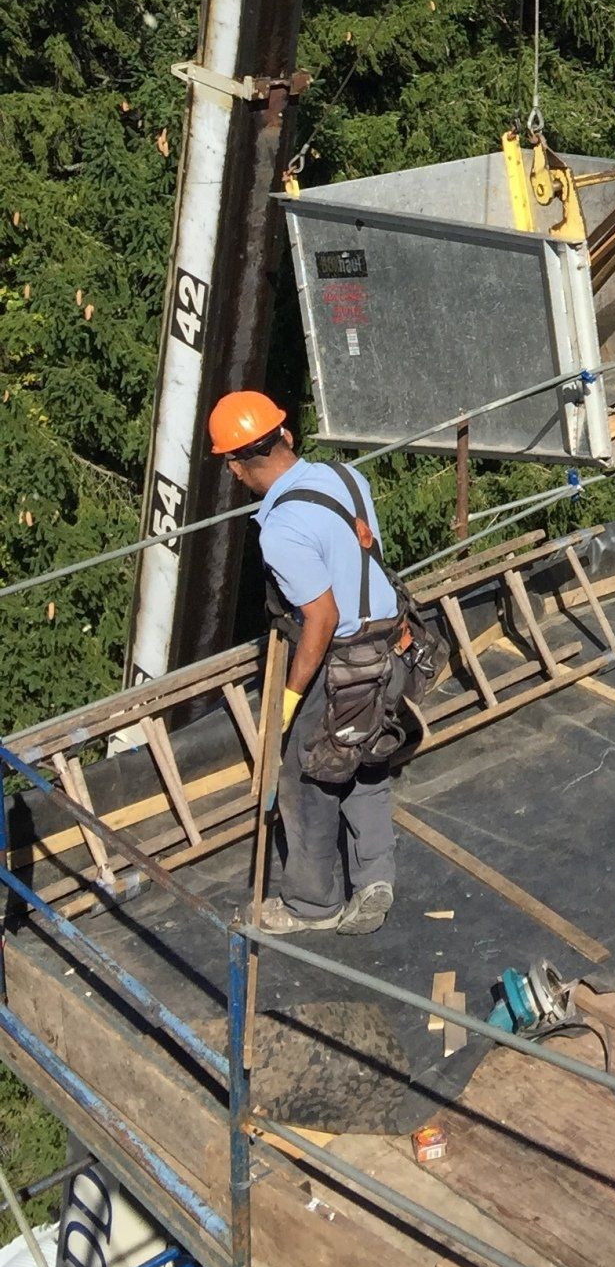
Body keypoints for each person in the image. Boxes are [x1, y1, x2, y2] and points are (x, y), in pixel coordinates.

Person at [208, 390, 399, 936]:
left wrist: (289, 699)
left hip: (340, 663)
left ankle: (311, 905)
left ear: (235, 465)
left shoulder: (282, 529)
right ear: (285, 435)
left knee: (306, 776)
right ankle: (375, 876)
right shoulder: (345, 478)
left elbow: (320, 618)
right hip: (389, 645)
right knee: (365, 757)